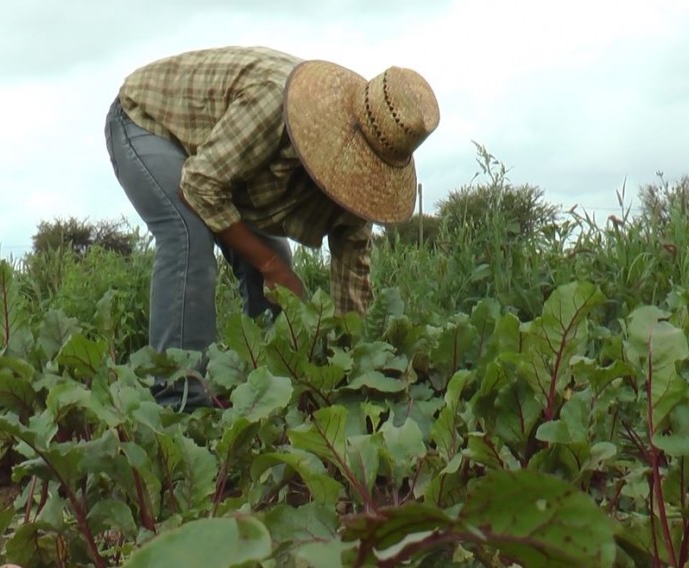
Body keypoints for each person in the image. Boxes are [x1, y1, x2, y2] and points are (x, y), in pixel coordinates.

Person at [104, 46, 440, 409]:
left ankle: (266, 390)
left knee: (276, 261)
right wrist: (271, 267)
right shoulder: (274, 102)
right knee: (189, 235)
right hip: (151, 122)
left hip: (223, 158)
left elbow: (352, 293)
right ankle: (179, 399)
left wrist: (354, 370)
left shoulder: (361, 191)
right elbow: (199, 186)